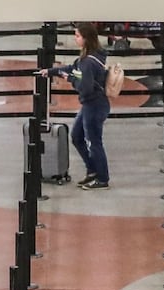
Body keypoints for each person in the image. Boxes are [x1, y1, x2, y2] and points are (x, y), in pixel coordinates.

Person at [43, 23, 111, 190]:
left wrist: (70, 79)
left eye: (78, 36)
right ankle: (92, 170)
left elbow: (85, 87)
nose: (75, 39)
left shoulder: (88, 62)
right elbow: (72, 68)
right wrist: (52, 71)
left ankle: (102, 178)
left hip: (93, 105)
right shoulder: (90, 56)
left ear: (86, 39)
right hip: (93, 105)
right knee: (77, 137)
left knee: (94, 142)